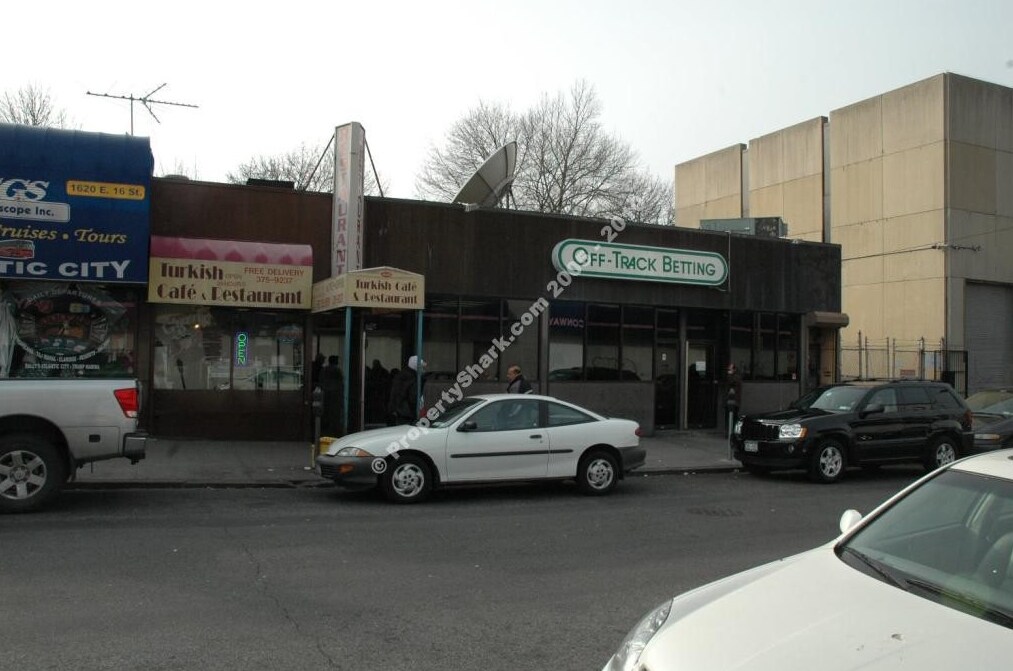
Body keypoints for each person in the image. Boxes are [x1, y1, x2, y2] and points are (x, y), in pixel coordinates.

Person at [388, 355, 425, 425]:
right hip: (407, 413)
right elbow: (413, 398)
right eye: (421, 366)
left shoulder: (401, 375)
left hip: (399, 411)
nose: (422, 369)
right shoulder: (412, 378)